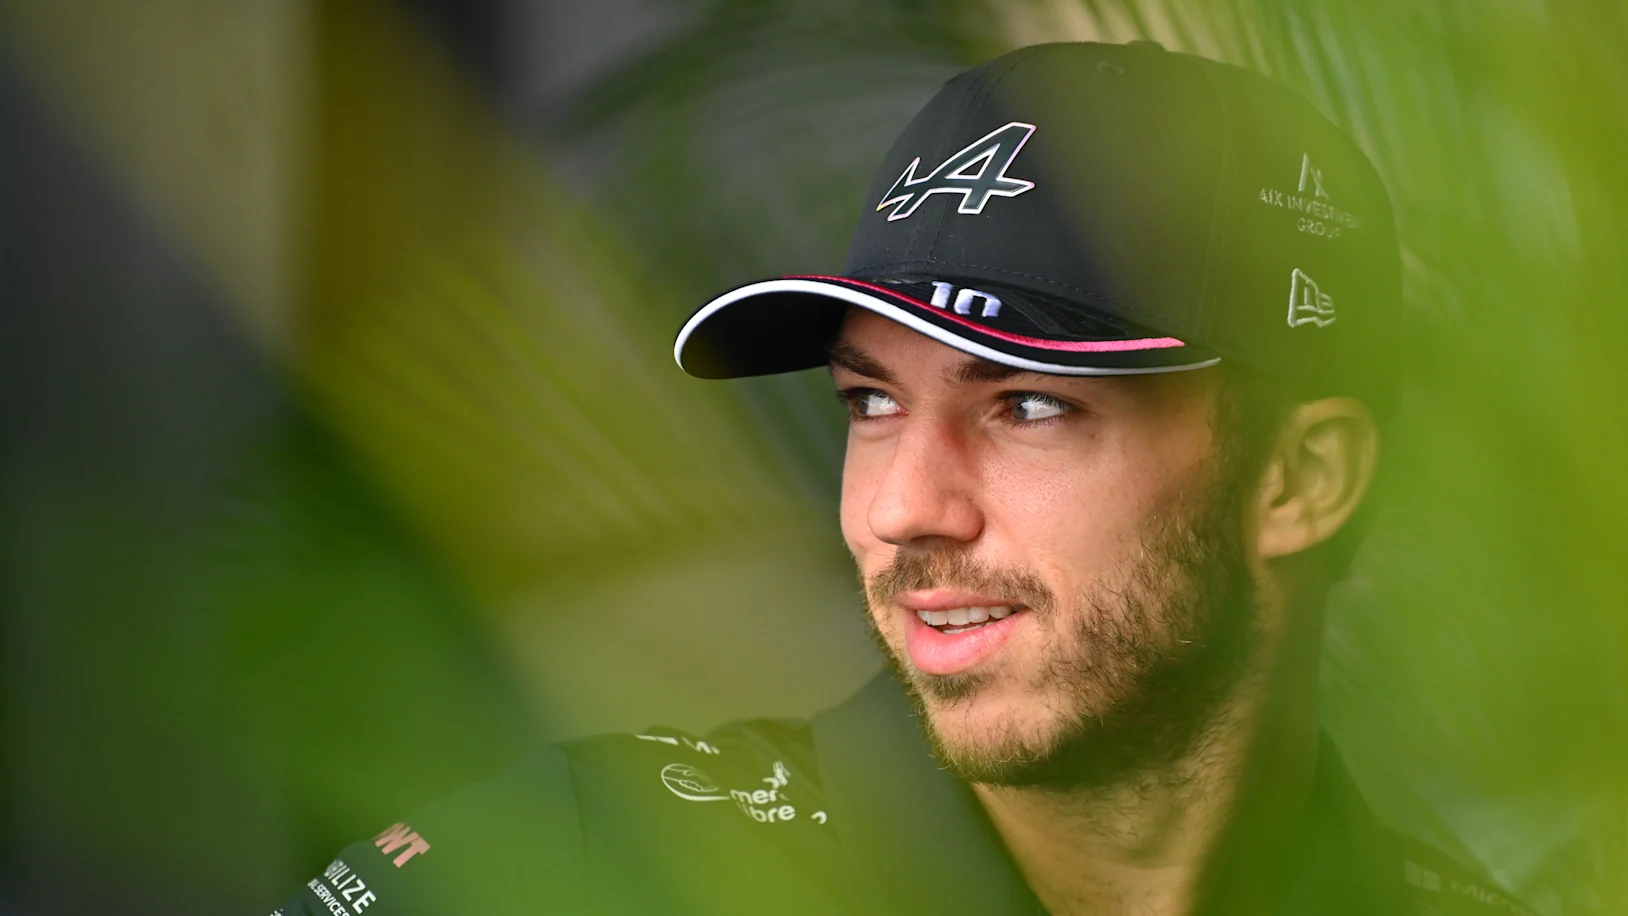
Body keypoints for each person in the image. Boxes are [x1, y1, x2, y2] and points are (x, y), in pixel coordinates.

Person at [273, 41, 1537, 916]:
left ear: (1299, 479)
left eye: (1027, 404)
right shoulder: (579, 862)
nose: (898, 509)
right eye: (870, 402)